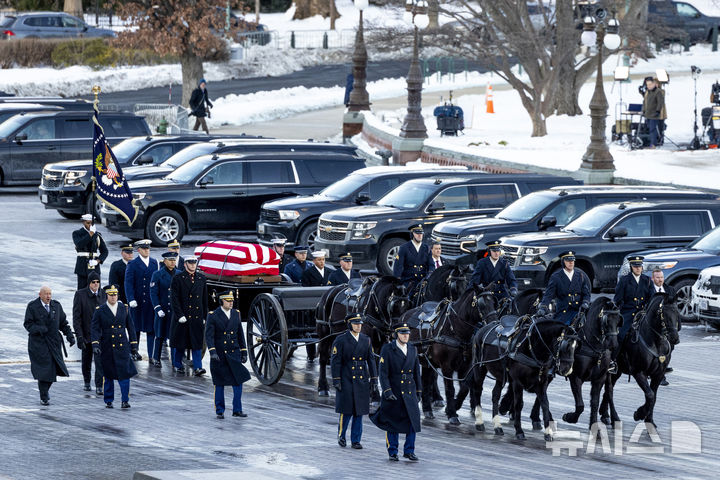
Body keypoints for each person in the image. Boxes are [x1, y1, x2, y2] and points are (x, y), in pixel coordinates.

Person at [370, 322, 422, 462]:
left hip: (409, 390)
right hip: (394, 391)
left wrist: (419, 391)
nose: (406, 336)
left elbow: (416, 371)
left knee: (412, 422)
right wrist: (387, 391)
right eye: (402, 333)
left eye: (407, 333)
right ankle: (392, 451)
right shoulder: (388, 349)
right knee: (392, 423)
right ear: (396, 335)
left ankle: (409, 451)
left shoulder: (412, 349)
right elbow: (383, 373)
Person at [331, 314, 376, 449]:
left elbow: (371, 360)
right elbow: (336, 361)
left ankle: (356, 440)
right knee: (346, 411)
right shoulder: (341, 340)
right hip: (346, 378)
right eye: (355, 324)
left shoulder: (366, 340)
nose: (358, 326)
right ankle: (342, 435)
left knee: (359, 411)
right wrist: (336, 380)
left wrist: (374, 379)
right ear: (350, 325)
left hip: (361, 378)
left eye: (360, 324)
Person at [24, 286, 75, 406]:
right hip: (39, 344)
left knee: (53, 369)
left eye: (50, 294)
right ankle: (44, 395)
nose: (48, 296)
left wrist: (70, 336)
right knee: (44, 369)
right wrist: (40, 329)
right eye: (46, 294)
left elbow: (63, 323)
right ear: (40, 294)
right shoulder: (32, 307)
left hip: (54, 343)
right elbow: (28, 324)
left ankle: (45, 392)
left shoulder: (56, 306)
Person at [91, 284, 138, 409]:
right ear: (107, 295)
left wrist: (134, 344)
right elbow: (95, 328)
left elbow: (130, 327)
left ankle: (125, 400)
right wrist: (95, 344)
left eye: (115, 295)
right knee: (109, 375)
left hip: (122, 346)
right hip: (107, 346)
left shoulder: (124, 308)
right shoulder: (100, 310)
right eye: (111, 295)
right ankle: (109, 399)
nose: (113, 297)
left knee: (125, 374)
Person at [205, 291, 251, 419]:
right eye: (228, 300)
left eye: (232, 300)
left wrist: (243, 351)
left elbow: (240, 334)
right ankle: (220, 410)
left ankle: (237, 409)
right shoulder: (213, 316)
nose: (231, 303)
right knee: (219, 383)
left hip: (233, 353)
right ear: (221, 301)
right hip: (220, 354)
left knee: (238, 382)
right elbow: (209, 336)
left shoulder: (236, 314)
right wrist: (212, 351)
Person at [170, 256, 208, 376]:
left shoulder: (201, 278)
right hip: (183, 316)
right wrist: (179, 315)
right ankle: (177, 364)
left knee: (197, 343)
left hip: (196, 316)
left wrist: (204, 316)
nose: (192, 265)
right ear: (185, 264)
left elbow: (204, 299)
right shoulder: (178, 278)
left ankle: (198, 367)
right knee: (181, 343)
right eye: (190, 263)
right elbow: (174, 299)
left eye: (194, 263)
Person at [72, 271, 106, 394]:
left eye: (98, 282)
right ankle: (87, 381)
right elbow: (77, 317)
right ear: (89, 283)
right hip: (86, 333)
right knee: (86, 360)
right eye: (93, 282)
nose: (96, 284)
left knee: (100, 361)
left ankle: (99, 385)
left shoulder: (103, 294)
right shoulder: (80, 295)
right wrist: (79, 336)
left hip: (100, 335)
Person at [537, 251, 591, 325]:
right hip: (564, 312)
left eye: (572, 260)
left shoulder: (580, 276)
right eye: (568, 261)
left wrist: (585, 303)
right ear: (563, 262)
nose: (571, 263)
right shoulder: (556, 277)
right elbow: (548, 295)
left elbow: (586, 294)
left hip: (579, 311)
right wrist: (543, 307)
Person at [125, 239, 158, 360]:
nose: (147, 251)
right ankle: (134, 351)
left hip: (150, 302)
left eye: (148, 248)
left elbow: (156, 282)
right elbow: (128, 283)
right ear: (139, 250)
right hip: (137, 301)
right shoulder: (132, 264)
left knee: (151, 330)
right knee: (135, 329)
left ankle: (151, 355)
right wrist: (131, 299)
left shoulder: (154, 263)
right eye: (144, 249)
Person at [149, 252, 180, 368]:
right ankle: (156, 358)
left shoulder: (179, 274)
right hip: (162, 309)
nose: (173, 262)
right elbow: (153, 293)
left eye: (174, 260)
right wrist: (157, 308)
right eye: (170, 260)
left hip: (174, 310)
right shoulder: (157, 274)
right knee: (159, 334)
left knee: (174, 336)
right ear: (165, 261)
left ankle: (175, 361)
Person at [613, 255, 653, 342]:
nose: (638, 268)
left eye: (639, 266)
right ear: (631, 267)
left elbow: (652, 298)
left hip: (643, 313)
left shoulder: (647, 280)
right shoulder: (624, 280)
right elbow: (618, 299)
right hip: (628, 313)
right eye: (635, 266)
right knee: (620, 336)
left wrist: (646, 308)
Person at [651, 267, 677, 386]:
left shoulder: (670, 289)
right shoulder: (648, 289)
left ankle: (662, 371)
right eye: (657, 277)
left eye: (661, 277)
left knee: (669, 347)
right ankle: (657, 373)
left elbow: (673, 309)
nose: (660, 280)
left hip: (667, 324)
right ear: (653, 278)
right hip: (652, 324)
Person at [72, 213, 108, 289]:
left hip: (94, 266)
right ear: (83, 222)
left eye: (92, 223)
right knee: (82, 290)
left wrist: (98, 261)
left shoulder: (97, 235)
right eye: (88, 223)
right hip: (83, 265)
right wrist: (90, 234)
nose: (90, 225)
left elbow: (105, 251)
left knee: (96, 290)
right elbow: (79, 244)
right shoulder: (77, 233)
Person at [393, 225, 433, 291]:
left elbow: (431, 265)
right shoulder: (404, 248)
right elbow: (398, 266)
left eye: (421, 233)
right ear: (412, 234)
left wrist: (429, 276)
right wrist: (398, 281)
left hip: (423, 280)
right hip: (409, 280)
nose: (420, 235)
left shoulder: (427, 248)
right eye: (417, 233)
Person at [642, 77, 665, 148]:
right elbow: (644, 102)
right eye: (647, 85)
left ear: (654, 84)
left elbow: (660, 102)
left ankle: (653, 144)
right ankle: (652, 142)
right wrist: (643, 111)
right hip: (647, 114)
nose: (649, 86)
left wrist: (658, 111)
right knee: (649, 129)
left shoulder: (658, 92)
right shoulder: (647, 92)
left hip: (654, 114)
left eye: (650, 84)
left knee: (653, 129)